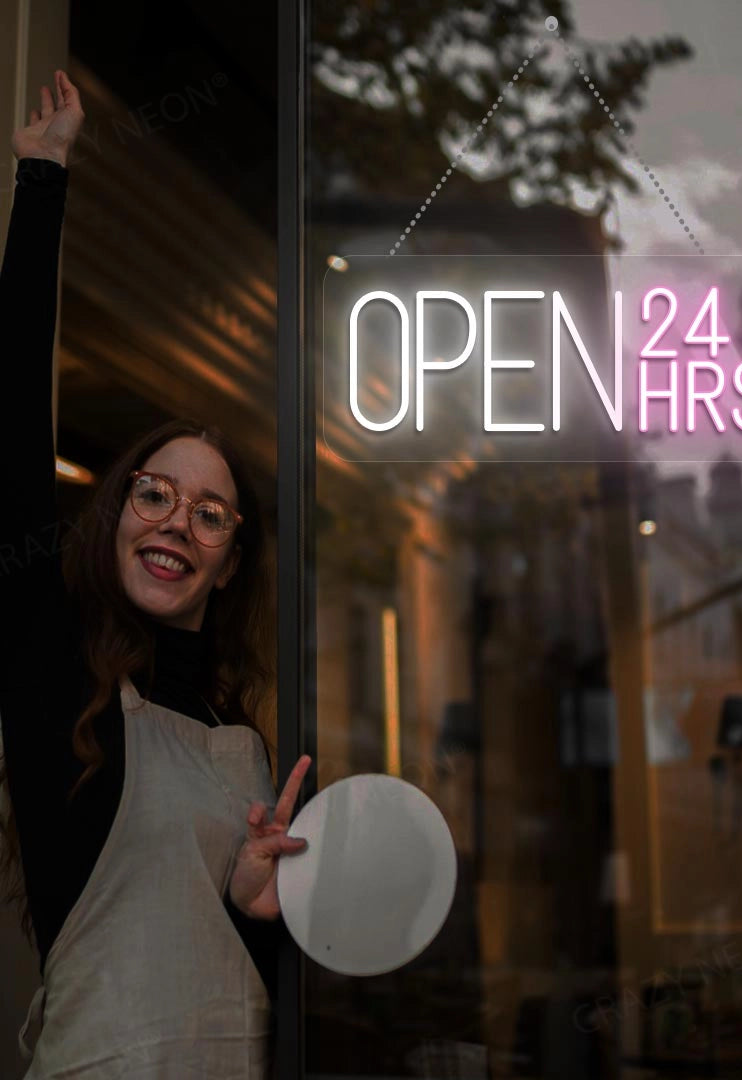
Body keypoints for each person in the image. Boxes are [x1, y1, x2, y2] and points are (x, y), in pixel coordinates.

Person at [0, 70, 312, 1076]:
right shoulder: (58, 676)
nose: (178, 517)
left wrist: (259, 908)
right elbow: (9, 429)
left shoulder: (245, 747)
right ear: (116, 515)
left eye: (211, 512)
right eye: (154, 493)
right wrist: (42, 178)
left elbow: (246, 971)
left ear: (227, 567)